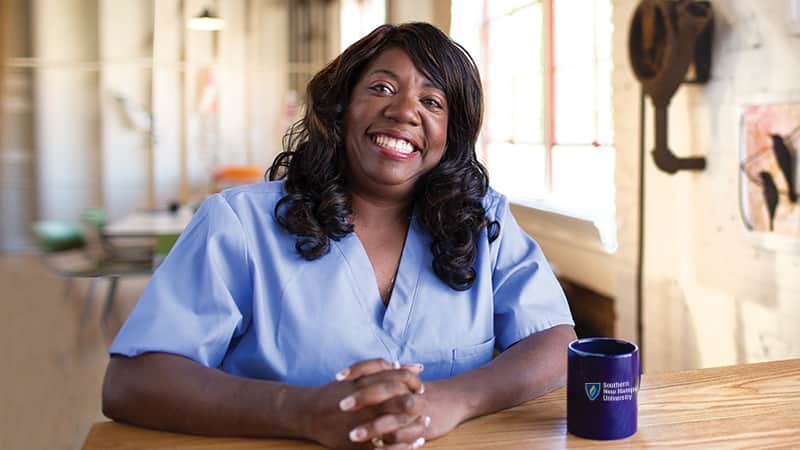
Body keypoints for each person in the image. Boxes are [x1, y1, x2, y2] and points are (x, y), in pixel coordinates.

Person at [102, 22, 576, 450]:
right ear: (341, 108)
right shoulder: (239, 223)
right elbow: (132, 381)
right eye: (382, 87)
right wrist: (302, 411)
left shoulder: (481, 222)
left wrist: (453, 400)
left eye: (432, 102)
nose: (405, 111)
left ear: (450, 135)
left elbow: (556, 342)